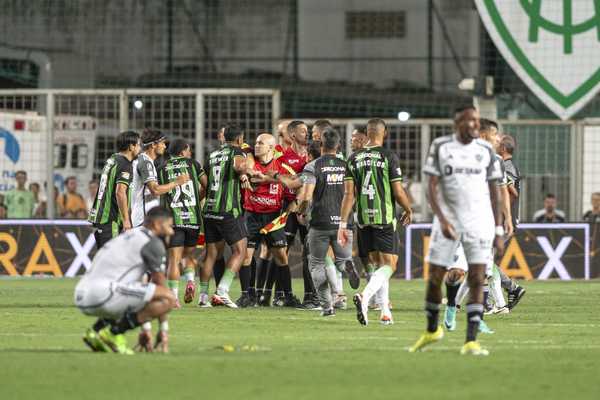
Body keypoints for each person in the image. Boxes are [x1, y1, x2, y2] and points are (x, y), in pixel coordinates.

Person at [409, 106, 504, 356]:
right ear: (457, 124)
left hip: (479, 222)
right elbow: (431, 187)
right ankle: (432, 329)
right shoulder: (441, 147)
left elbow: (495, 190)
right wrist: (442, 219)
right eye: (468, 120)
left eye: (476, 121)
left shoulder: (485, 151)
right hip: (448, 222)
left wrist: (498, 228)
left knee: (478, 277)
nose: (474, 125)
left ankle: (471, 340)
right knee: (436, 278)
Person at [338, 118, 413, 326]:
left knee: (374, 266)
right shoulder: (389, 157)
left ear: (367, 133)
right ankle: (365, 297)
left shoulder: (353, 158)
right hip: (383, 219)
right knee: (389, 265)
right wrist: (408, 209)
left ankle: (385, 312)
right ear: (384, 133)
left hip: (362, 220)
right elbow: (398, 191)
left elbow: (348, 195)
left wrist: (342, 224)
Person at [75, 206, 176, 354]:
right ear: (156, 224)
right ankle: (114, 333)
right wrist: (163, 330)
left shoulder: (127, 236)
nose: (171, 231)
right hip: (103, 295)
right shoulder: (153, 243)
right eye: (169, 226)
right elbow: (160, 288)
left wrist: (145, 328)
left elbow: (140, 290)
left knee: (132, 292)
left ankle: (94, 332)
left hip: (81, 294)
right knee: (169, 298)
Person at [298, 128, 359, 317]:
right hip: (343, 223)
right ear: (339, 145)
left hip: (320, 223)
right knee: (341, 260)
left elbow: (307, 196)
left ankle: (327, 308)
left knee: (316, 264)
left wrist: (302, 211)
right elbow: (354, 194)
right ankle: (347, 266)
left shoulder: (312, 166)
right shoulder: (347, 165)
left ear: (321, 144)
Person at [237, 133, 300, 308]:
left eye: (261, 143)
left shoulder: (282, 168)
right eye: (256, 142)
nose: (257, 145)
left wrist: (289, 211)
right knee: (246, 256)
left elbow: (295, 190)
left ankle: (287, 295)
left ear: (271, 148)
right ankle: (246, 295)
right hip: (251, 216)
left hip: (273, 217)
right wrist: (244, 175)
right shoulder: (249, 163)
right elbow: (244, 151)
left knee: (281, 256)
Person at [203, 123, 254, 307]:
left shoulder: (213, 154)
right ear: (240, 138)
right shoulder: (237, 152)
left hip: (209, 210)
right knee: (240, 251)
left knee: (211, 254)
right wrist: (246, 171)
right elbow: (239, 166)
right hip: (228, 209)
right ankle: (222, 291)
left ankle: (203, 296)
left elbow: (205, 182)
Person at [158, 139, 206, 308]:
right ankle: (191, 281)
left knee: (174, 259)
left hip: (174, 220)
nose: (190, 153)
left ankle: (173, 298)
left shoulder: (162, 168)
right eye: (189, 150)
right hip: (193, 220)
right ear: (182, 152)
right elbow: (206, 185)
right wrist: (195, 200)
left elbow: (158, 191)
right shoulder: (193, 164)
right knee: (188, 256)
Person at [277, 120, 319, 308]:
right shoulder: (284, 157)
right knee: (280, 251)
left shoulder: (312, 158)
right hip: (287, 207)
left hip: (307, 208)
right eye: (303, 131)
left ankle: (311, 296)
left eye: (307, 130)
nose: (307, 133)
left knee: (308, 254)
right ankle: (282, 295)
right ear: (292, 135)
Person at [89, 131, 140, 249]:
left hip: (101, 217)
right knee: (112, 261)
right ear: (131, 146)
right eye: (138, 145)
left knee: (107, 260)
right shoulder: (125, 165)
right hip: (110, 220)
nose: (140, 148)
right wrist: (126, 220)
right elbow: (120, 192)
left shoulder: (112, 159)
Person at [131, 129, 189, 228]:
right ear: (153, 145)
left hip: (142, 216)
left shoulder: (144, 160)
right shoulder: (145, 163)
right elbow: (155, 190)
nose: (165, 146)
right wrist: (177, 182)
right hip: (143, 218)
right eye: (162, 143)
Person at [497, 134, 526, 310]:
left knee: (485, 262)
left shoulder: (507, 167)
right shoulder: (509, 166)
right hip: (505, 221)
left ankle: (512, 288)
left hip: (503, 222)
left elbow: (510, 193)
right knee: (484, 261)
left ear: (503, 149)